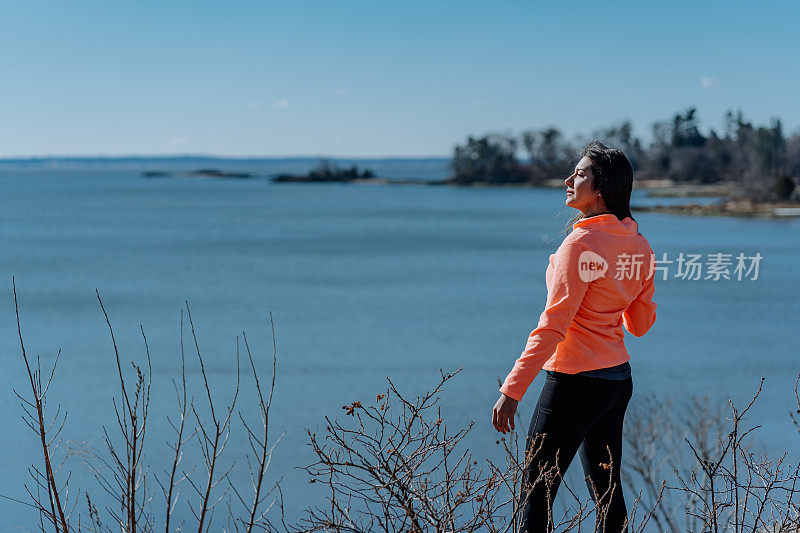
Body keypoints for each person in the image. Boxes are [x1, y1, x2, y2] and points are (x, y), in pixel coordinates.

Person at [491, 140, 658, 533]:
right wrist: (635, 284)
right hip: (616, 382)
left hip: (574, 384)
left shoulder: (580, 244)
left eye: (580, 173)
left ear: (600, 188)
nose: (568, 179)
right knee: (608, 493)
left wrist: (511, 391)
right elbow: (640, 324)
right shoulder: (640, 245)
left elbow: (553, 326)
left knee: (537, 493)